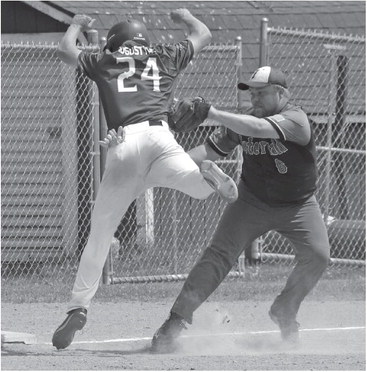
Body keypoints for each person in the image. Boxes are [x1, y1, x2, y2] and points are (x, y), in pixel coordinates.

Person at [52, 10, 238, 350]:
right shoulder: (164, 55)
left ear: (117, 42)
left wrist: (77, 24)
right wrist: (183, 16)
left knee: (100, 234)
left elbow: (65, 50)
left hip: (124, 142)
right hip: (161, 138)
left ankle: (78, 307)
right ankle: (208, 176)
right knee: (194, 186)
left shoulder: (107, 58)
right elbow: (204, 33)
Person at [151, 66, 331, 353]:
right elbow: (208, 152)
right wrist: (166, 167)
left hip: (298, 206)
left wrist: (213, 113)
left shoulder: (296, 120)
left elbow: (259, 129)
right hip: (251, 201)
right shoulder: (245, 120)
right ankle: (175, 321)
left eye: (262, 93)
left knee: (318, 256)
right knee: (218, 255)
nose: (254, 99)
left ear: (282, 94)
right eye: (251, 93)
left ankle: (285, 309)